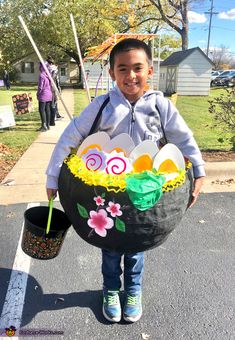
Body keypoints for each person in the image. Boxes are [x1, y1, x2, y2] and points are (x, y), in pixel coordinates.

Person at [46, 39, 205, 323]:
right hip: (109, 194)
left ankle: (133, 290)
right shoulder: (102, 105)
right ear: (112, 74)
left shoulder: (160, 105)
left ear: (150, 70)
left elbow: (183, 138)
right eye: (122, 69)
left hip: (145, 191)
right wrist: (53, 175)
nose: (130, 75)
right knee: (111, 243)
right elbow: (71, 137)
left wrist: (200, 172)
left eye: (137, 68)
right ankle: (110, 289)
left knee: (137, 244)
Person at [47, 57, 64, 125]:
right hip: (54, 88)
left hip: (52, 88)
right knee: (54, 103)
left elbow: (55, 80)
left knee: (53, 103)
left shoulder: (51, 70)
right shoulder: (54, 70)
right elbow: (57, 80)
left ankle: (54, 116)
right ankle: (56, 115)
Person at [37, 62, 52, 132]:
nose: (39, 68)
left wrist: (38, 94)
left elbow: (40, 87)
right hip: (49, 94)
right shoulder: (48, 75)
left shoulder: (41, 76)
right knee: (47, 110)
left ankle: (44, 125)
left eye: (40, 66)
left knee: (41, 110)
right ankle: (48, 125)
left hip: (43, 94)